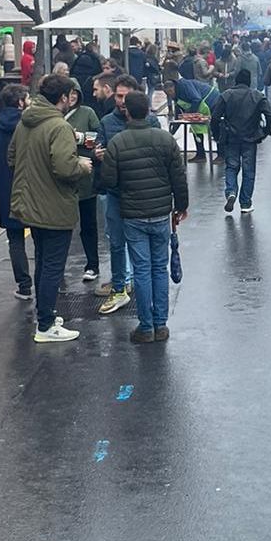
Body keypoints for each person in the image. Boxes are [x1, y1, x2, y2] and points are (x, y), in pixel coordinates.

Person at [8, 74, 91, 343]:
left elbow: (11, 157)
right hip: (54, 205)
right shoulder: (59, 126)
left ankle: (45, 314)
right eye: (69, 96)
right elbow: (65, 167)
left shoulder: (26, 121)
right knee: (53, 266)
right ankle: (45, 325)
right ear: (64, 97)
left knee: (43, 262)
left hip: (29, 203)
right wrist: (82, 164)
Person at [101, 91, 188, 344]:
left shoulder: (117, 143)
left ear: (127, 111)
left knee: (141, 270)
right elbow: (178, 177)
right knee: (159, 268)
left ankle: (146, 326)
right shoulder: (164, 140)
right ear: (149, 110)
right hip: (161, 213)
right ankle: (161, 324)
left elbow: (108, 180)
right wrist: (181, 206)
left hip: (133, 215)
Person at [94, 75, 161, 313]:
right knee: (116, 242)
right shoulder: (106, 122)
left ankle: (148, 297)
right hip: (115, 193)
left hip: (143, 195)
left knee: (145, 249)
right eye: (118, 96)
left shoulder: (151, 122)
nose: (121, 101)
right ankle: (120, 287)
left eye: (125, 96)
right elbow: (98, 150)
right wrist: (100, 156)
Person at [0, 83, 33, 301]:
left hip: (6, 188)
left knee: (15, 239)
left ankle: (24, 285)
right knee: (41, 235)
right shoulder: (30, 126)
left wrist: (2, 174)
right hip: (32, 186)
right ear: (20, 102)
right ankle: (47, 281)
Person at [210, 69, 271, 214]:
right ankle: (245, 203)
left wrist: (216, 135)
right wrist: (265, 131)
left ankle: (231, 191)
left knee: (231, 167)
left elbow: (214, 117)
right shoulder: (257, 96)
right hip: (250, 138)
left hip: (231, 138)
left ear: (236, 81)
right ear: (249, 82)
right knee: (249, 170)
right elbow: (270, 114)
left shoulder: (226, 95)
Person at [64, 79, 101, 283]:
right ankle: (59, 266)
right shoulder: (56, 115)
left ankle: (92, 264)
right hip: (64, 177)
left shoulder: (87, 112)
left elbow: (98, 137)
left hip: (86, 178)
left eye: (75, 93)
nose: (72, 96)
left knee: (89, 224)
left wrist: (80, 138)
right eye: (68, 93)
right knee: (63, 226)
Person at [167, 77, 220, 163]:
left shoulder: (184, 86)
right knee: (196, 128)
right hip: (201, 104)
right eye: (168, 94)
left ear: (174, 87)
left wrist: (189, 114)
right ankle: (201, 154)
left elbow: (197, 99)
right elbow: (179, 115)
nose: (170, 95)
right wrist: (171, 133)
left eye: (170, 92)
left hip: (212, 100)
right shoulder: (176, 96)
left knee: (215, 126)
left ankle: (221, 154)